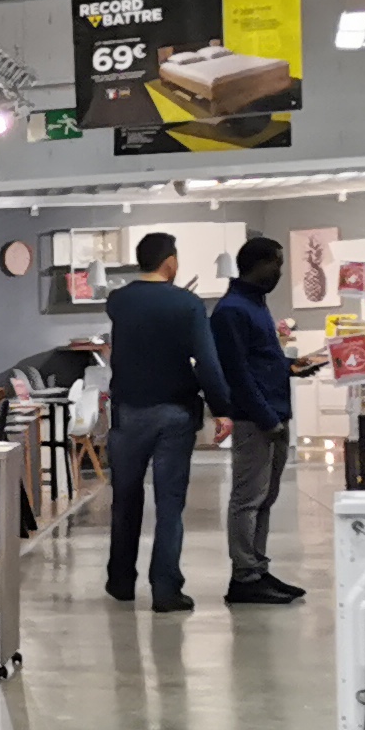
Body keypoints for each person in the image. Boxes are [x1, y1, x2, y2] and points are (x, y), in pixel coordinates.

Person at [102, 230, 234, 611]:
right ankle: (165, 588)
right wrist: (221, 407)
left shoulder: (118, 301)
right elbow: (206, 361)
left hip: (128, 412)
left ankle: (121, 581)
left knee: (125, 499)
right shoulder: (187, 304)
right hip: (175, 413)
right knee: (169, 503)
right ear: (170, 261)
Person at [210, 235, 303, 605]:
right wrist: (266, 417)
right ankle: (244, 576)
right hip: (256, 419)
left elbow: (261, 360)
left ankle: (258, 568)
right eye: (276, 264)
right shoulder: (231, 310)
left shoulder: (255, 304)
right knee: (247, 499)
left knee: (265, 497)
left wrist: (292, 366)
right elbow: (236, 372)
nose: (279, 272)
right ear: (257, 264)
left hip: (274, 412)